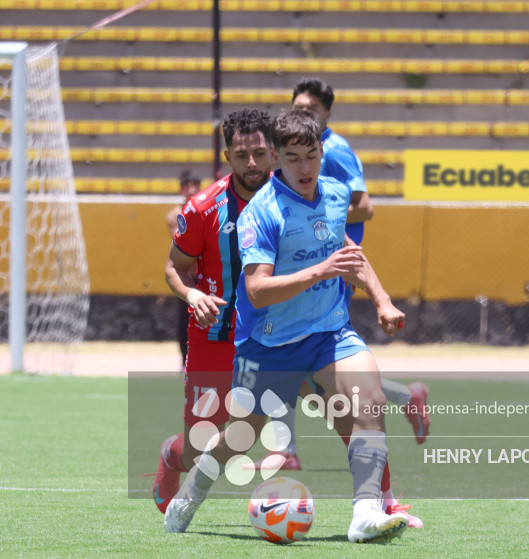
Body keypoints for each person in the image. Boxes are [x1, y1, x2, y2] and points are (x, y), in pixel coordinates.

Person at [165, 109, 410, 543]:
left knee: (367, 401)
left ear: (321, 153)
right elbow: (257, 290)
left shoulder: (335, 193)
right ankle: (192, 490)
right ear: (279, 159)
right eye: (293, 158)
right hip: (269, 344)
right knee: (240, 437)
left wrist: (382, 299)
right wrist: (321, 271)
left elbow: (349, 251)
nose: (304, 166)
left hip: (327, 332)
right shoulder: (260, 213)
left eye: (311, 155)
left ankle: (366, 512)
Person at [248, 79, 430, 490]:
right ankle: (400, 403)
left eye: (312, 108)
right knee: (314, 377)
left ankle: (303, 455)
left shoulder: (337, 151)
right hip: (306, 269)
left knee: (321, 375)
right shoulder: (277, 181)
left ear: (327, 114)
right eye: (299, 106)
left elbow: (364, 206)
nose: (305, 166)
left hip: (334, 272)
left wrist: (323, 231)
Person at [152, 109, 275, 515]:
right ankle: (172, 455)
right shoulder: (203, 209)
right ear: (228, 156)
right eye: (242, 155)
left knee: (344, 403)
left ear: (273, 152)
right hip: (214, 340)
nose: (252, 163)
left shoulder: (293, 200)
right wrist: (192, 296)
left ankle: (381, 502)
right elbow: (174, 267)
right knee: (198, 447)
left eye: (259, 152)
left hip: (275, 338)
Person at [165, 171, 202, 371]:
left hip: (205, 274)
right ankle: (184, 360)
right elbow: (183, 244)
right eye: (188, 185)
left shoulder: (206, 209)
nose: (192, 189)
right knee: (184, 320)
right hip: (187, 276)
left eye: (196, 184)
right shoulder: (174, 215)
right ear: (181, 189)